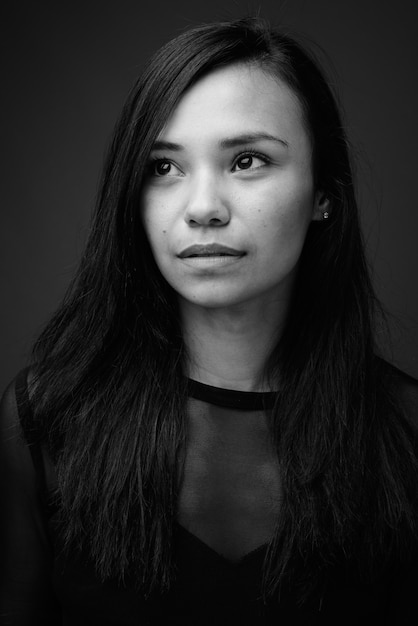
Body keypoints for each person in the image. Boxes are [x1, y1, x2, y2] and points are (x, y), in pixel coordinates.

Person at [1, 16, 417, 626]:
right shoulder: (45, 421)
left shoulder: (405, 434)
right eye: (164, 168)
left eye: (247, 160)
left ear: (325, 193)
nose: (201, 209)